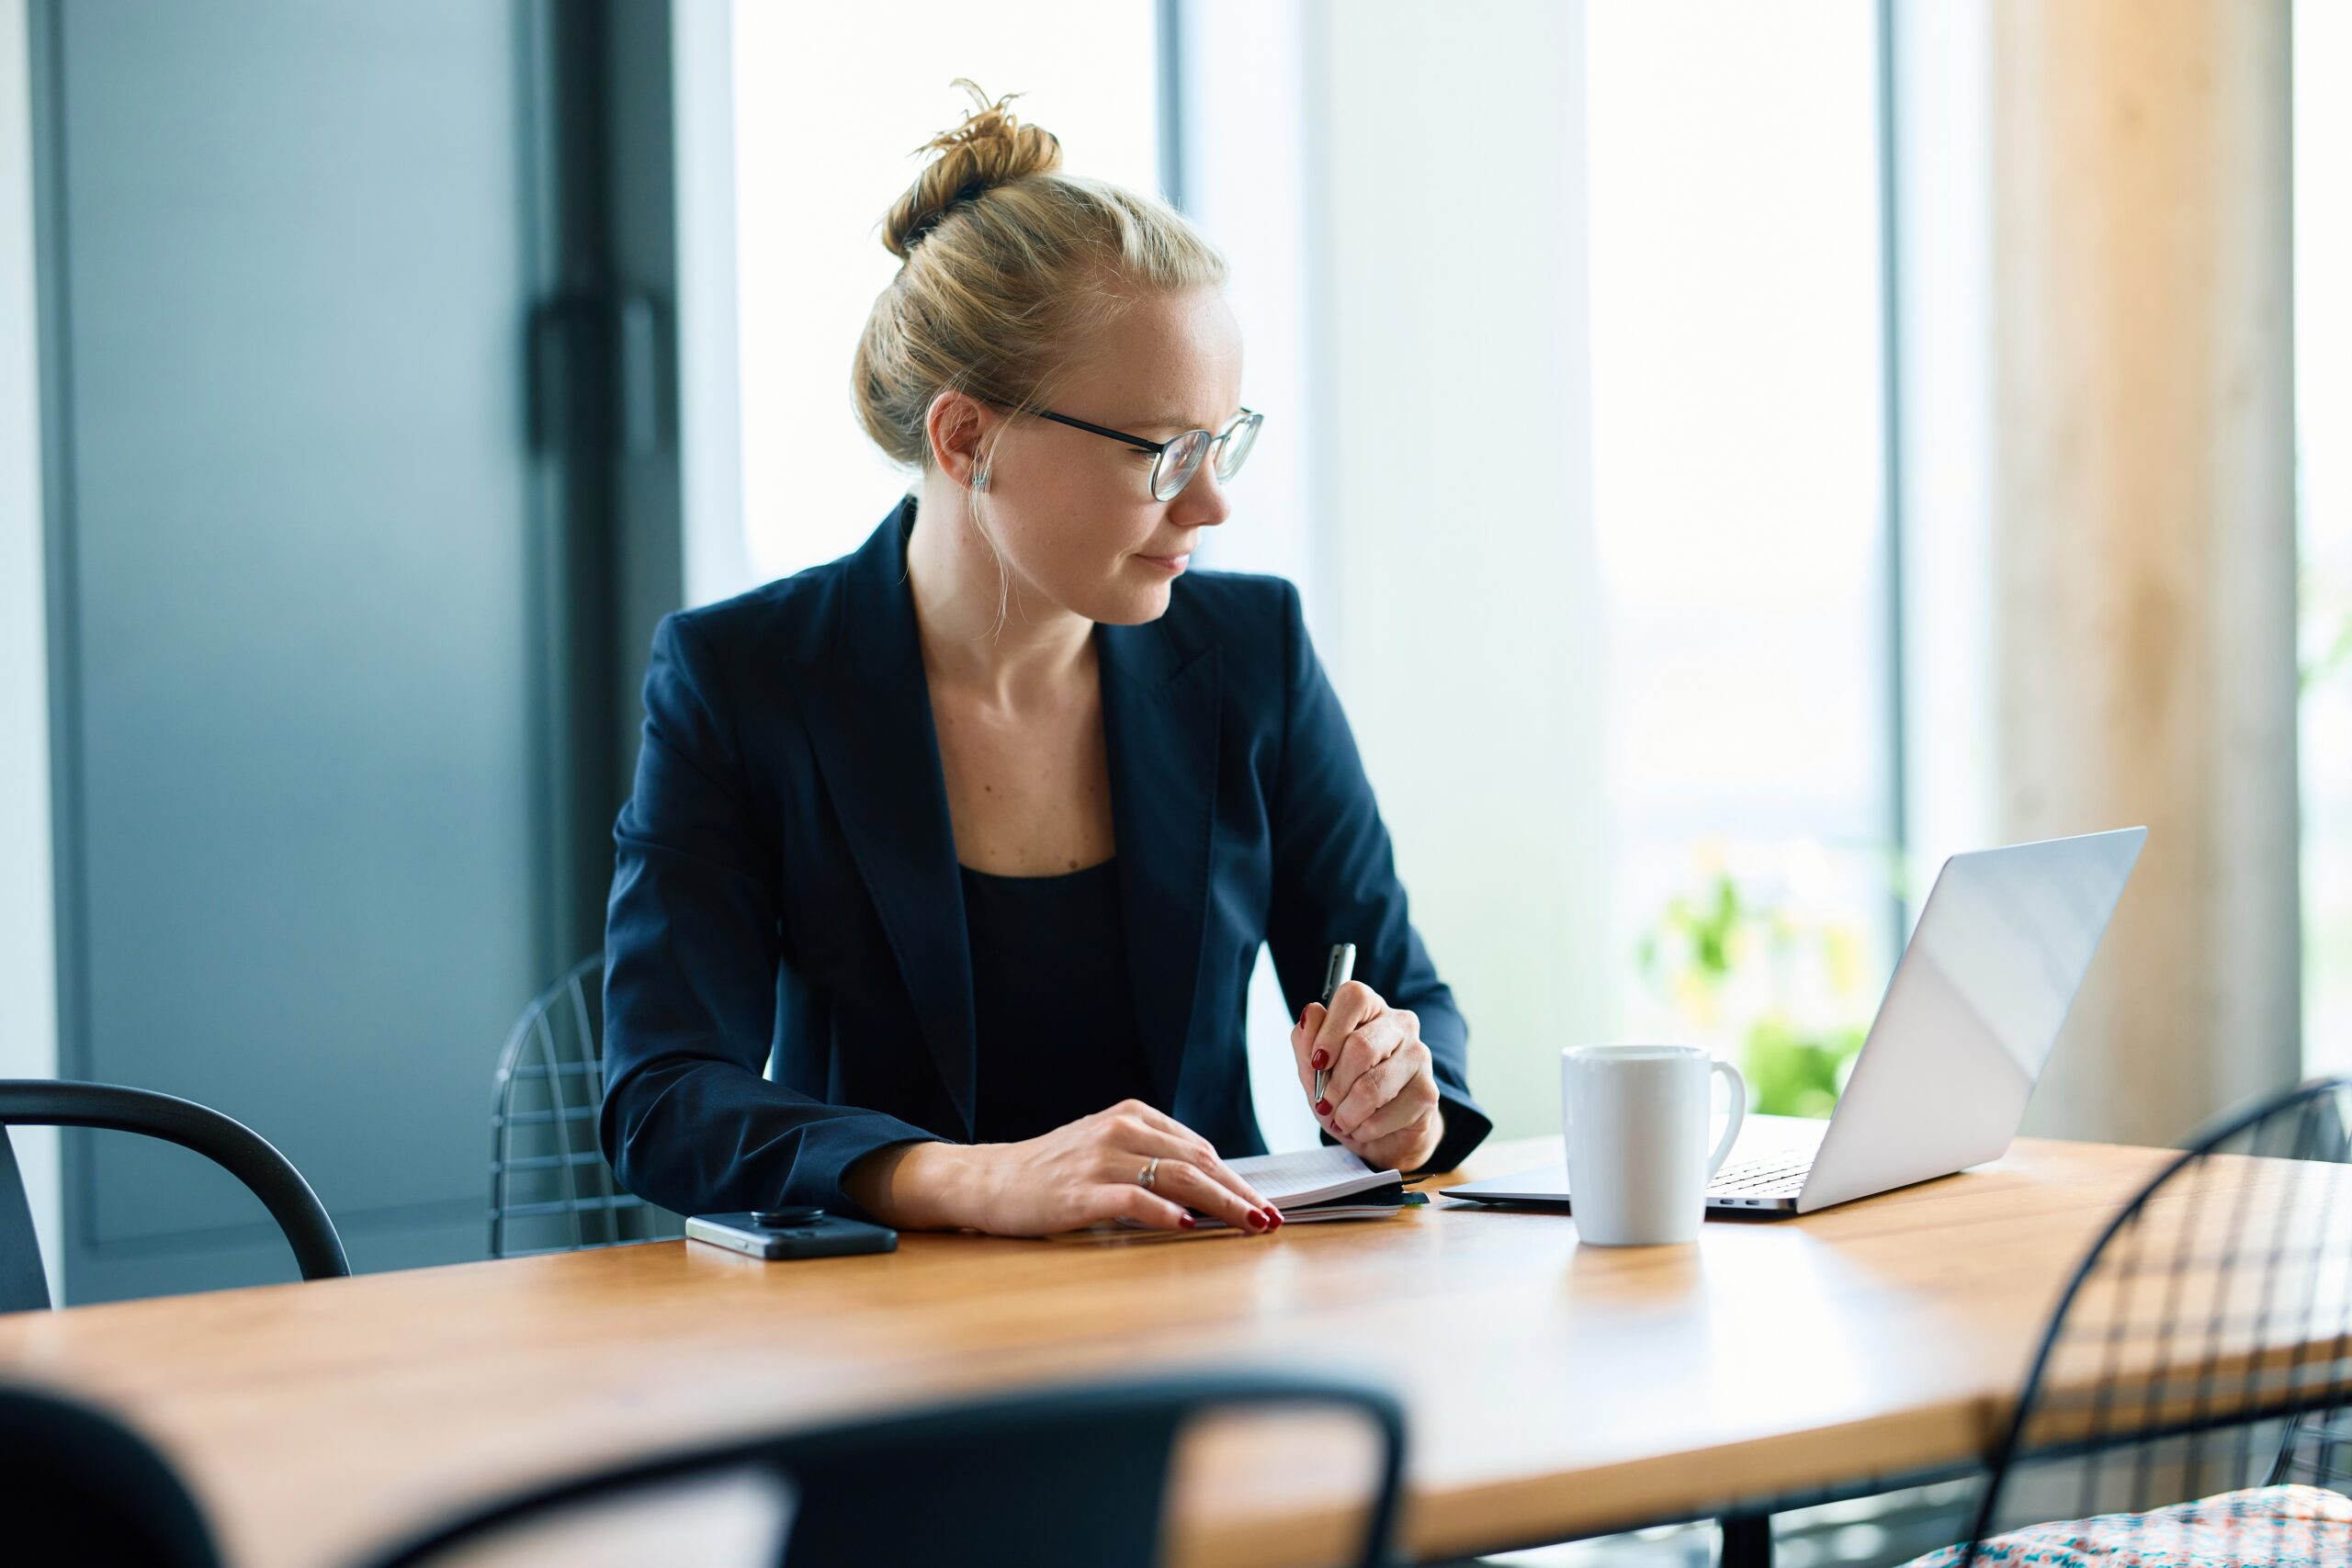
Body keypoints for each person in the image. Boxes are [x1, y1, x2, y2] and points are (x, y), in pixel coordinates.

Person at [599, 79, 1488, 1238]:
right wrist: (976, 1177)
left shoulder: (1250, 650)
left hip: (1214, 1313)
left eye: (1223, 444)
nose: (1213, 503)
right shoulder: (743, 678)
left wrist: (1402, 1104)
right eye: (1167, 453)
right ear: (967, 440)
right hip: (883, 1339)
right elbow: (661, 1097)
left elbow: (1403, 996)